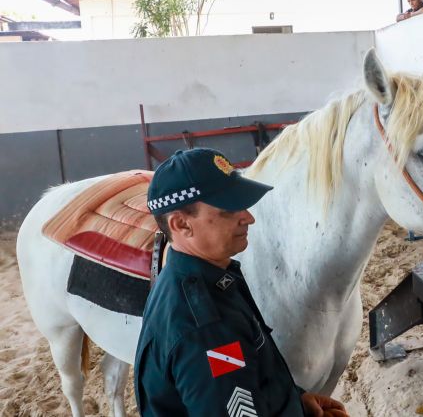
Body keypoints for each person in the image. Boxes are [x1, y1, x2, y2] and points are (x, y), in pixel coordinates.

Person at [134, 148, 348, 417]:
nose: (249, 217)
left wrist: (296, 400)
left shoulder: (211, 277)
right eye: (227, 210)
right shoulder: (206, 329)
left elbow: (249, 376)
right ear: (182, 224)